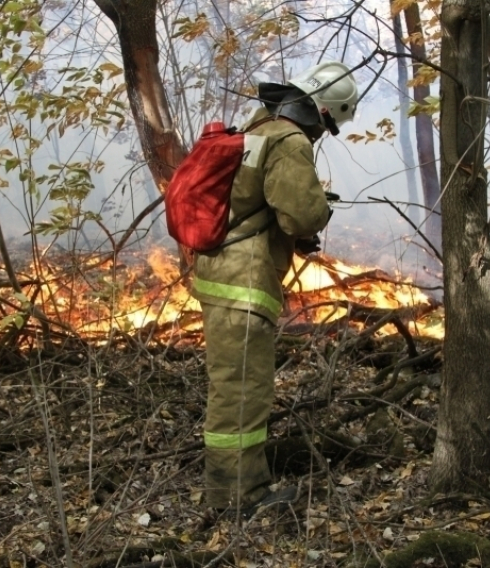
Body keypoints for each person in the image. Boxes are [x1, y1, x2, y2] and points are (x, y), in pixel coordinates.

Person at [190, 61, 360, 517]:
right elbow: (301, 215)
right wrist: (319, 212)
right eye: (327, 124)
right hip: (242, 283)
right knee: (241, 391)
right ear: (322, 111)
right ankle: (237, 498)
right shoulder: (288, 141)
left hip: (219, 273)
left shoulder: (257, 127)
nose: (323, 132)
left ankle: (235, 487)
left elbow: (259, 200)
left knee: (235, 385)